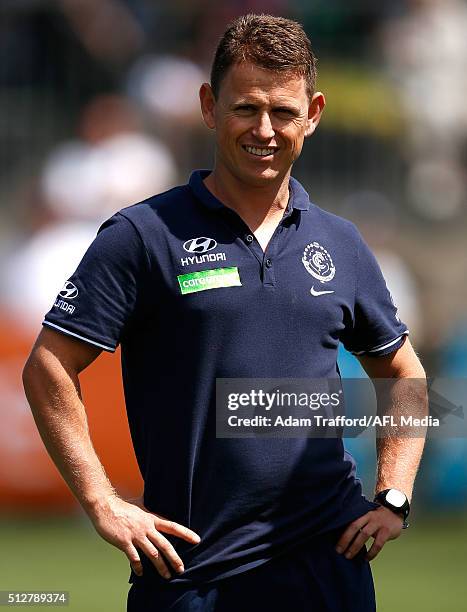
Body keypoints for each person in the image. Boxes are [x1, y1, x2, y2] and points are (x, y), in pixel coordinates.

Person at [23, 14, 427, 612]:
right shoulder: (142, 235)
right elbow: (48, 367)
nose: (264, 129)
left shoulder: (341, 242)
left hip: (328, 567)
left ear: (313, 115)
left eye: (284, 112)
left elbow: (406, 377)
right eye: (246, 108)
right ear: (210, 106)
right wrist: (104, 503)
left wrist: (393, 498)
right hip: (191, 572)